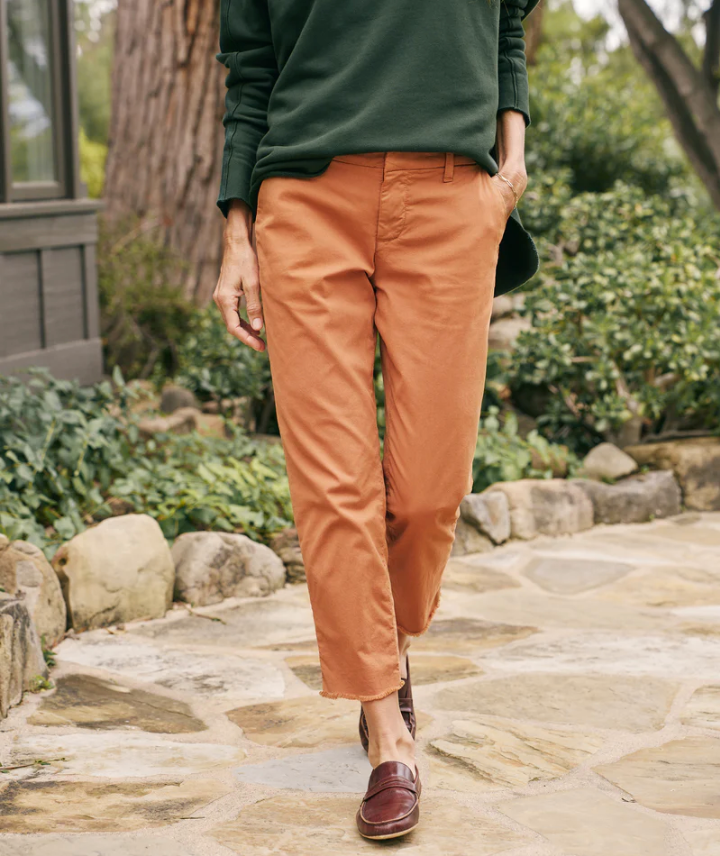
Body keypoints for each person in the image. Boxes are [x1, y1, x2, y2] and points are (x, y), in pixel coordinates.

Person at [213, 0, 539, 840]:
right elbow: (251, 72)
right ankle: (389, 734)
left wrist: (511, 163)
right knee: (334, 482)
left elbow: (506, 24)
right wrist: (238, 232)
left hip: (450, 195)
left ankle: (384, 648)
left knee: (431, 490)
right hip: (306, 200)